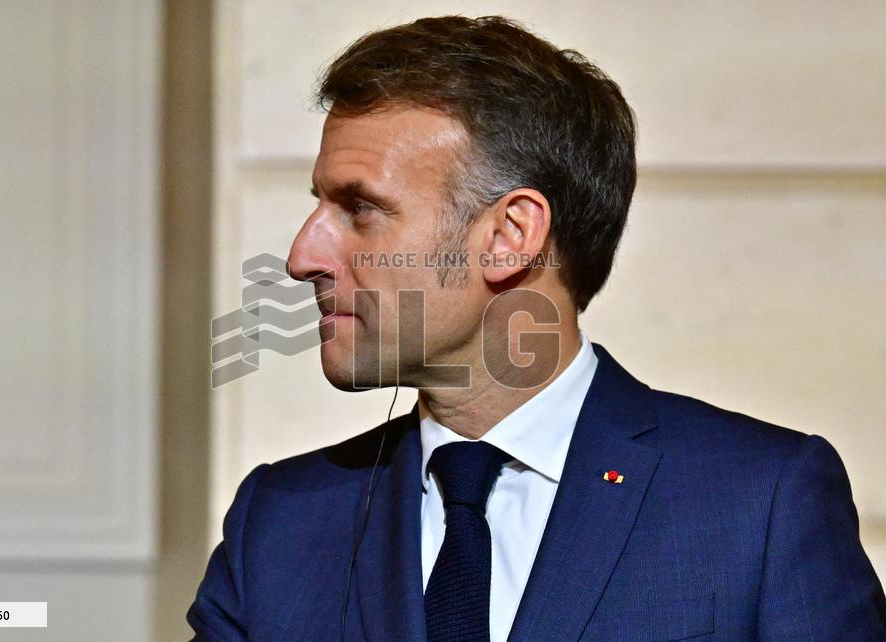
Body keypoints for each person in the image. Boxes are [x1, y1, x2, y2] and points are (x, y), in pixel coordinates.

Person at [187, 15, 886, 641]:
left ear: (510, 235)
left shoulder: (758, 503)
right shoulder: (279, 525)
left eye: (360, 209)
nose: (302, 257)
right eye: (319, 205)